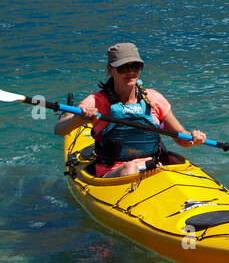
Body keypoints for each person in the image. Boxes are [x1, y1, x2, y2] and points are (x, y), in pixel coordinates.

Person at [54, 42, 207, 177]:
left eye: (136, 66)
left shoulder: (154, 99)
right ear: (110, 70)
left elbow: (182, 139)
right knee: (130, 168)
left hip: (154, 169)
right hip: (113, 173)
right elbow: (59, 129)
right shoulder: (96, 101)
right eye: (123, 68)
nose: (131, 72)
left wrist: (193, 138)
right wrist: (77, 119)